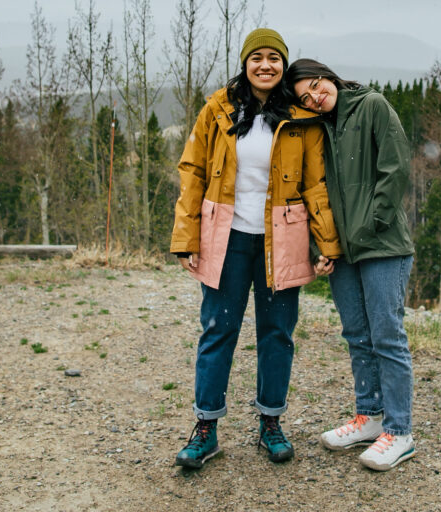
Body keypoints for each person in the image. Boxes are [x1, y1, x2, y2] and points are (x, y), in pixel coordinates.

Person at [170, 29, 342, 470]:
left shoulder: (302, 118)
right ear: (245, 63)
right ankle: (205, 429)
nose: (266, 65)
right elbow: (192, 171)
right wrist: (186, 237)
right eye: (257, 58)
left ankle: (271, 423)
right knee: (218, 331)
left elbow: (315, 184)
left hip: (282, 238)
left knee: (277, 333)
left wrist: (327, 241)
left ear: (284, 65)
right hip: (225, 237)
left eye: (274, 58)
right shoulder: (217, 108)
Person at [286, 58, 415, 472]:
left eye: (317, 86)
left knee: (387, 336)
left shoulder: (372, 106)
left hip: (382, 245)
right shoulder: (317, 127)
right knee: (357, 335)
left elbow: (395, 169)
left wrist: (372, 224)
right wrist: (320, 245)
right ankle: (370, 416)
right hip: (342, 250)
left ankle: (399, 431)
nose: (316, 97)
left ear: (329, 76)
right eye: (306, 97)